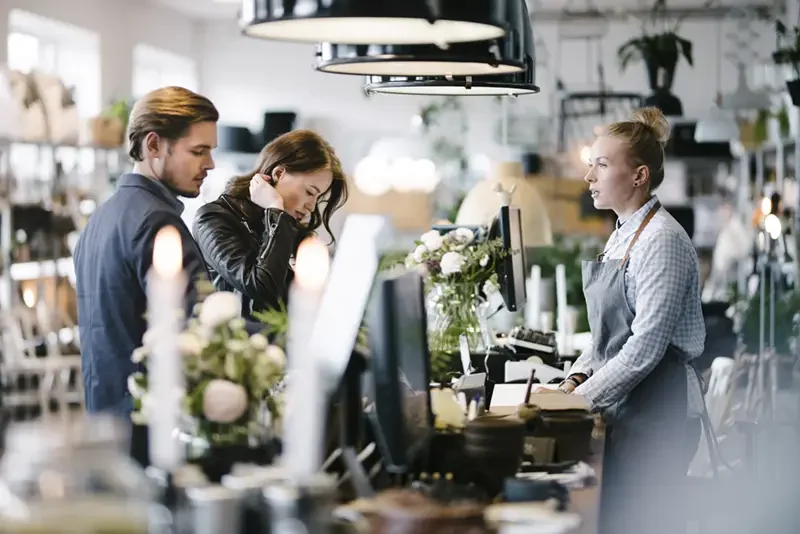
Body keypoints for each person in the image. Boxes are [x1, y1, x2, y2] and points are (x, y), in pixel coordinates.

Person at [547, 107, 706, 534]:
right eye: (590, 165)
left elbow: (644, 349)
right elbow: (606, 336)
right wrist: (574, 380)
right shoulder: (624, 232)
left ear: (638, 176)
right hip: (629, 409)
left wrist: (577, 404)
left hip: (659, 414)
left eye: (601, 165)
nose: (589, 178)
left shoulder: (662, 241)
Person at [74, 86, 218, 464]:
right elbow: (206, 328)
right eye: (199, 151)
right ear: (154, 145)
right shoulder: (157, 222)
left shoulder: (102, 217)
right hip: (151, 430)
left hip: (107, 422)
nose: (210, 164)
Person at [192, 129, 348, 317]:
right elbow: (261, 286)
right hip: (243, 342)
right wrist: (275, 208)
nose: (311, 207)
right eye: (309, 192)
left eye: (318, 197)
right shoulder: (213, 218)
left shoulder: (287, 226)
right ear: (279, 173)